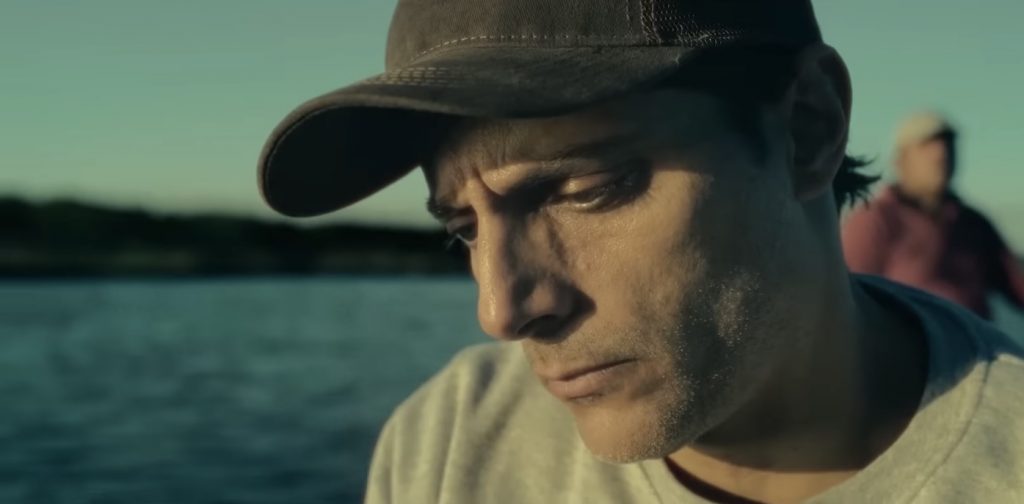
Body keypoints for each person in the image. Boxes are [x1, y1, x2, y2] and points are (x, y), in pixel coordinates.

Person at [257, 1, 1024, 502]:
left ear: (808, 129)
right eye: (464, 229)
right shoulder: (450, 441)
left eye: (586, 190)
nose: (500, 311)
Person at [842, 112, 1024, 319]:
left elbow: (1016, 283)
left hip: (976, 338)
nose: (940, 154)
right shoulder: (875, 220)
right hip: (911, 338)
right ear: (900, 160)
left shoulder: (973, 223)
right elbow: (849, 298)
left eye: (948, 146)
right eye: (927, 146)